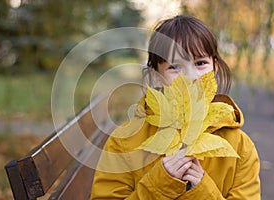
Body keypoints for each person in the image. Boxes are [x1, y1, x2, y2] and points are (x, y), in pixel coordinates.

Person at [90, 15, 261, 199]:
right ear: (156, 76)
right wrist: (161, 184)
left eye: (200, 63)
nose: (191, 76)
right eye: (175, 66)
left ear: (215, 68)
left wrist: (202, 192)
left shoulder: (239, 147)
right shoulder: (124, 142)